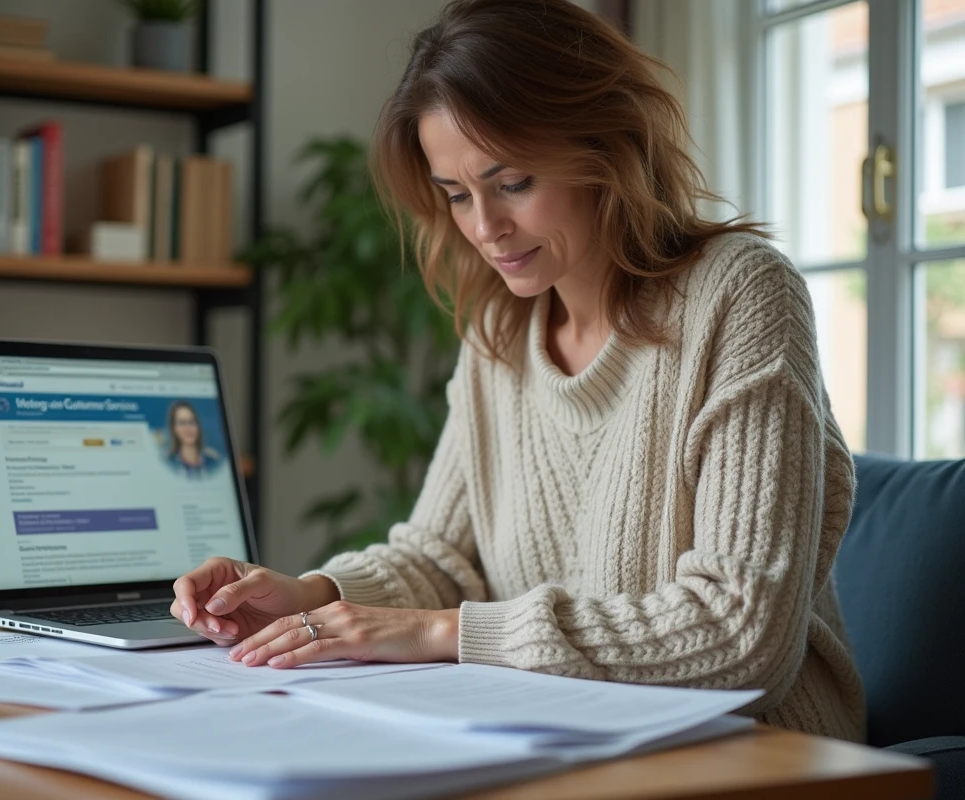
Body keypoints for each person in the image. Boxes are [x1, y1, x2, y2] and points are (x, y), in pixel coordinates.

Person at [169, 0, 865, 742]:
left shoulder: (742, 292)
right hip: (565, 740)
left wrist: (444, 633)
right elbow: (440, 558)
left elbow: (740, 635)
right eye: (458, 195)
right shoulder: (500, 331)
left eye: (513, 183)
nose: (484, 229)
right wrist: (307, 597)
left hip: (759, 752)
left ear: (605, 143)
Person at [163, 401, 222, 479]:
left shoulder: (214, 461)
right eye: (182, 423)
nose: (188, 428)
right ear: (174, 429)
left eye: (192, 422)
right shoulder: (168, 464)